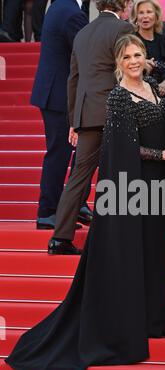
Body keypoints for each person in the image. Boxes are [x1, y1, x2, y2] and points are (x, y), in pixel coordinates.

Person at [5, 34, 165, 370]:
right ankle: (134, 321)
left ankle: (153, 319)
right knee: (140, 250)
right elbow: (124, 148)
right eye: (127, 57)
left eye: (138, 54)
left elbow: (164, 116)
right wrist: (161, 154)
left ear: (146, 57)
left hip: (160, 188)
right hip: (135, 189)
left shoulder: (152, 86)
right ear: (118, 63)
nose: (134, 61)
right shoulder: (119, 97)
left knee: (157, 250)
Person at [47, 0, 133, 255]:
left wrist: (74, 120)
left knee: (78, 177)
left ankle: (60, 238)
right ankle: (117, 238)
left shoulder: (84, 32)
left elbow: (73, 79)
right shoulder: (123, 29)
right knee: (121, 173)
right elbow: (127, 70)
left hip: (87, 113)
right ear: (124, 5)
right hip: (114, 110)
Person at [32, 0, 89, 231]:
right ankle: (48, 212)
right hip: (59, 96)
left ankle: (74, 204)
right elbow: (86, 52)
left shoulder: (60, 6)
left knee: (75, 150)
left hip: (54, 92)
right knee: (60, 153)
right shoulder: (70, 12)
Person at [131, 0, 165, 96]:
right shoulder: (131, 42)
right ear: (136, 17)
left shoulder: (164, 41)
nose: (145, 16)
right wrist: (141, 68)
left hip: (164, 99)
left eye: (149, 12)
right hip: (139, 98)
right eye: (141, 13)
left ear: (156, 16)